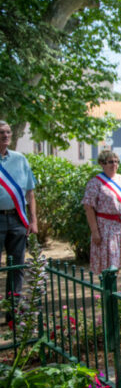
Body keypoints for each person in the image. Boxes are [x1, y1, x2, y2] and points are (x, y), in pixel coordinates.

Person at [0, 121, 37, 323]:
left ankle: (13, 314)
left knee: (17, 268)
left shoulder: (20, 159)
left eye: (7, 132)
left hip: (17, 219)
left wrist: (33, 220)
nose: (5, 135)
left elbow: (30, 193)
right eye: (1, 132)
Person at [83, 150, 121, 276]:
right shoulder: (95, 183)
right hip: (106, 227)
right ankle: (107, 292)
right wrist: (94, 231)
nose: (114, 165)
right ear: (102, 163)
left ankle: (113, 290)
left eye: (117, 162)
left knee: (118, 262)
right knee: (108, 263)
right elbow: (88, 207)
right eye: (110, 162)